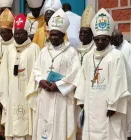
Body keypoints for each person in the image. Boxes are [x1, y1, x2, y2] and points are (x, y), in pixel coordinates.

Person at [74, 8, 131, 140]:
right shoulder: (88, 57)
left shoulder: (116, 56)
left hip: (110, 109)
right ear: (94, 39)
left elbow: (121, 81)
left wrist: (113, 105)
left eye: (104, 39)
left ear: (109, 39)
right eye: (98, 39)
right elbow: (82, 79)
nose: (100, 42)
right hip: (91, 108)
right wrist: (82, 100)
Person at [26, 8, 80, 140]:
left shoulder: (71, 52)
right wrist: (41, 81)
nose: (54, 37)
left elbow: (75, 74)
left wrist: (59, 85)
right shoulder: (44, 51)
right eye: (52, 34)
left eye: (57, 35)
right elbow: (36, 69)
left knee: (59, 128)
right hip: (45, 96)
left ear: (63, 35)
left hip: (61, 97)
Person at [0, 14, 40, 140]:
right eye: (16, 34)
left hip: (28, 93)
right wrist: (5, 94)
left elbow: (38, 73)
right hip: (12, 95)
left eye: (21, 33)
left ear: (26, 33)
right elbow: (3, 74)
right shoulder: (9, 50)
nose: (18, 36)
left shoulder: (34, 49)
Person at [76, 6, 95, 140]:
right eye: (81, 32)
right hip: (75, 93)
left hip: (89, 93)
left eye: (86, 32)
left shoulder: (95, 51)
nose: (83, 35)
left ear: (92, 34)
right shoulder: (74, 50)